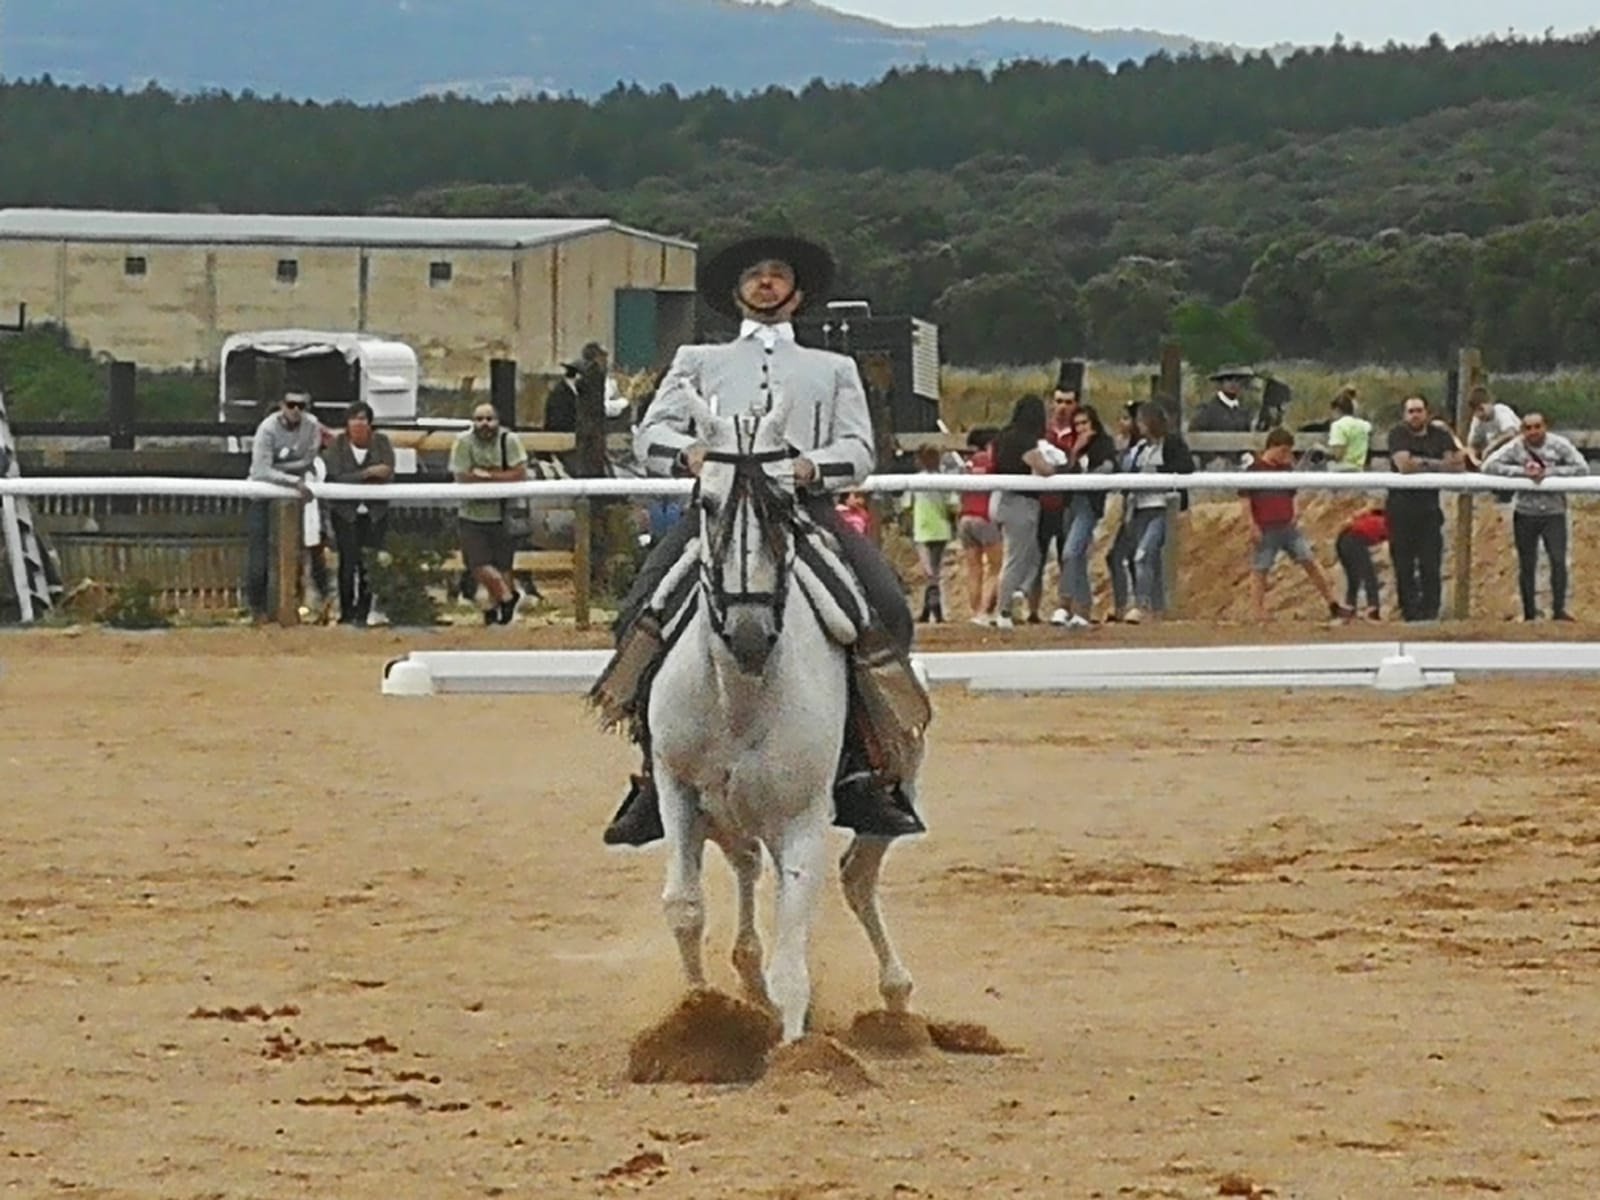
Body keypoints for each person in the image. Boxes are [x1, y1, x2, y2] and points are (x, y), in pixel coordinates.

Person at [600, 233, 923, 845]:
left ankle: (864, 767)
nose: (766, 283)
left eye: (778, 275)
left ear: (797, 293)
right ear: (737, 291)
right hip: (715, 518)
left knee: (887, 609)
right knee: (636, 620)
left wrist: (807, 468)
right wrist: (689, 454)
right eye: (756, 275)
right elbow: (651, 436)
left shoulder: (833, 369)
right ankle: (653, 772)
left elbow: (858, 449)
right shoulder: (698, 361)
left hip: (804, 516)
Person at [1481, 412, 1588, 621]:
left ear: (1545, 427)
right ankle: (1529, 613)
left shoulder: (1559, 445)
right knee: (1526, 563)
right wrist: (1522, 472)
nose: (1533, 432)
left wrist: (1548, 472)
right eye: (1528, 428)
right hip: (1525, 512)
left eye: (1537, 426)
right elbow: (1489, 466)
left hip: (1554, 512)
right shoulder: (1516, 446)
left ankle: (1559, 610)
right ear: (1522, 430)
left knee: (1558, 561)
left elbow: (1581, 468)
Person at [1240, 427, 1348, 622]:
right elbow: (1245, 500)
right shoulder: (1254, 470)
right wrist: (1251, 525)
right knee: (1260, 569)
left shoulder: (1286, 469)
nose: (1286, 455)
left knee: (1310, 561)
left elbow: (1293, 493)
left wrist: (1295, 510)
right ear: (1271, 447)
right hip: (1265, 527)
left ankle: (1332, 603)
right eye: (1283, 451)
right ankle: (1256, 611)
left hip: (1287, 526)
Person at [1107, 402, 1194, 624]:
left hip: (1162, 508)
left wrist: (1157, 473)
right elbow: (1126, 474)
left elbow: (1186, 467)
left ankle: (1142, 604)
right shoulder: (1140, 448)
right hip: (1139, 509)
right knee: (1148, 560)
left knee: (1143, 555)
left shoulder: (1172, 443)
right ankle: (1157, 609)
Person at [1385, 394, 1465, 622]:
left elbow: (1458, 465)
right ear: (1404, 415)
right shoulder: (1397, 434)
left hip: (1429, 510)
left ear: (1427, 413)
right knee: (1403, 564)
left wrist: (1423, 462)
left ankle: (1430, 612)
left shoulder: (1440, 435)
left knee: (1431, 563)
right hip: (1400, 510)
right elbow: (1404, 466)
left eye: (1419, 410)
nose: (1415, 415)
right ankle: (1409, 613)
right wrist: (1438, 463)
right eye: (1410, 411)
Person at [449, 403, 529, 626]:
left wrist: (485, 476)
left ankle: (498, 613)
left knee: (503, 565)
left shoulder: (509, 441)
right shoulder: (463, 442)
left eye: (489, 418)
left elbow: (519, 473)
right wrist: (499, 476)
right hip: (471, 514)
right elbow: (461, 476)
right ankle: (507, 597)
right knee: (477, 563)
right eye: (479, 419)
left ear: (498, 421)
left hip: (504, 513)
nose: (484, 423)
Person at [245, 390, 322, 622]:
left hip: (296, 496)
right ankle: (256, 609)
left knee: (301, 552)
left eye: (302, 405)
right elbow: (260, 471)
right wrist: (293, 477)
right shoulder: (267, 429)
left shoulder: (312, 426)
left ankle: (296, 607)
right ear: (282, 405)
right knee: (259, 556)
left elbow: (309, 459)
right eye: (291, 404)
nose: (296, 410)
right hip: (263, 495)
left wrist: (280, 470)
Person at [322, 400, 396, 626]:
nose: (358, 423)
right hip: (345, 513)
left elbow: (389, 472)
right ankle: (346, 612)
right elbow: (335, 476)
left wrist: (362, 475)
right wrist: (368, 473)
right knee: (348, 562)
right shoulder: (337, 444)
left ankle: (363, 612)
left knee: (369, 564)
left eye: (362, 418)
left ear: (370, 423)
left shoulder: (382, 442)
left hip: (375, 513)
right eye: (354, 418)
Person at [989, 394, 1056, 630]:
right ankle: (1003, 609)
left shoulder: (1002, 436)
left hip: (1000, 499)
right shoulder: (1024, 440)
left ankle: (1019, 593)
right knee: (1016, 559)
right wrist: (1057, 464)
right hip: (1020, 503)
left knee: (1033, 554)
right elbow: (1044, 469)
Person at [1052, 403, 1117, 628]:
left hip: (1088, 504)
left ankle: (1065, 602)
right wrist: (1076, 449)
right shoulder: (1073, 446)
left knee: (1071, 551)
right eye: (1077, 424)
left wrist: (1087, 476)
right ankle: (1082, 608)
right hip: (1070, 503)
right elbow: (1064, 470)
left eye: (1084, 423)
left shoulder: (1103, 445)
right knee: (1075, 556)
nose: (1080, 428)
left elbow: (1109, 468)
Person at [901, 445, 957, 623]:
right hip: (940, 528)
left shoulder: (915, 481)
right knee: (934, 570)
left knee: (929, 572)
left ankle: (933, 608)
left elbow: (906, 505)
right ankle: (931, 609)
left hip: (922, 529)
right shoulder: (945, 481)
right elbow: (953, 504)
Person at [956, 427, 1001, 626]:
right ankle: (984, 611)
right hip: (985, 516)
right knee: (996, 567)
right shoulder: (991, 461)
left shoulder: (968, 463)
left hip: (966, 516)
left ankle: (975, 611)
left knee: (973, 569)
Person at [1335, 505, 1388, 621]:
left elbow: (1354, 517)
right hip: (1354, 539)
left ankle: (1350, 609)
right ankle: (1373, 610)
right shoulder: (1390, 522)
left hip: (1342, 539)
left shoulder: (1372, 515)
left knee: (1353, 578)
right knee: (1369, 575)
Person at [1188, 367, 1256, 434]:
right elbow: (1194, 438)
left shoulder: (1244, 413)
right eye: (1228, 379)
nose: (1233, 383)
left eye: (1237, 380)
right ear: (1220, 383)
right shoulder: (1206, 411)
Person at [1321, 386, 1372, 471]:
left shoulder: (1338, 426)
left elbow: (1338, 455)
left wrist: (1321, 449)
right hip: (1359, 469)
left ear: (1337, 410)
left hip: (1342, 471)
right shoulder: (1364, 425)